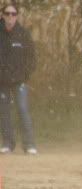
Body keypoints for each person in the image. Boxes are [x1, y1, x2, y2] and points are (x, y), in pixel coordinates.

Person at [0, 3, 36, 154]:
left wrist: (25, 75)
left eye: (13, 14)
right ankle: (8, 143)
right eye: (7, 13)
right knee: (4, 111)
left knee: (22, 109)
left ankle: (29, 145)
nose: (10, 17)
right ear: (2, 15)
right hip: (2, 81)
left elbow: (32, 58)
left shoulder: (23, 34)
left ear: (17, 16)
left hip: (19, 81)